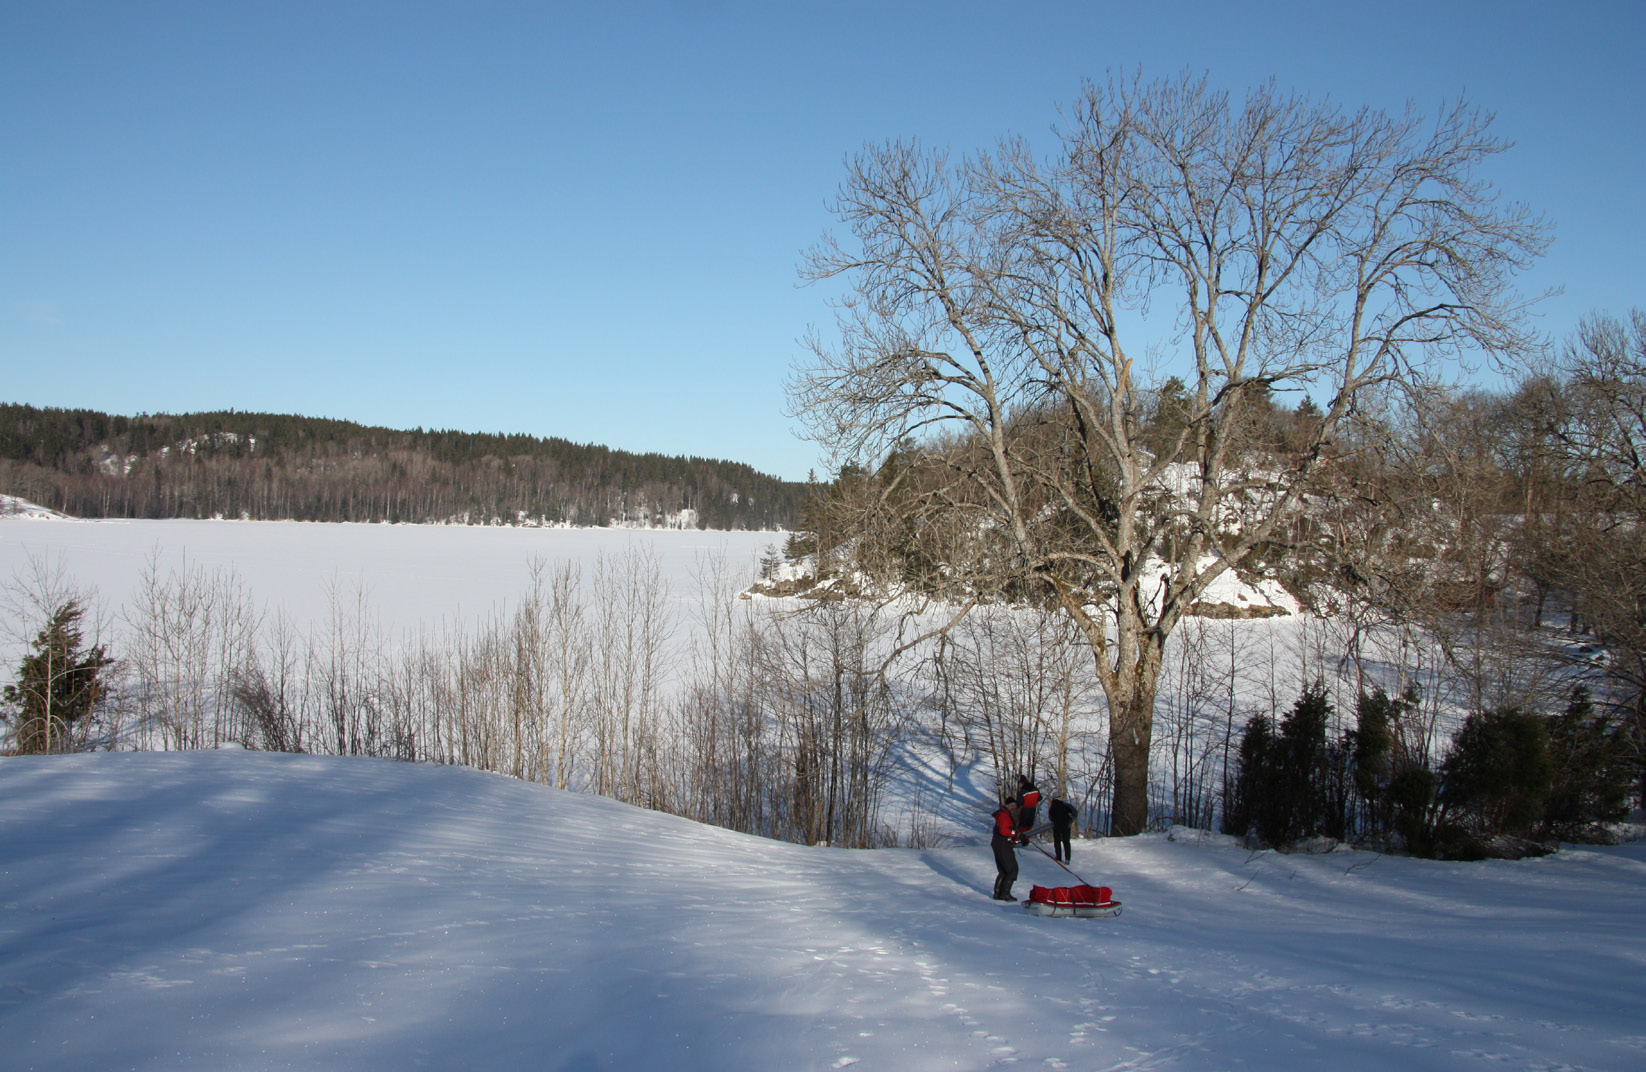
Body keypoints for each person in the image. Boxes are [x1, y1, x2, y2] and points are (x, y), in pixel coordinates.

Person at [990, 796, 1021, 901]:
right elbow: (1004, 831)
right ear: (1008, 805)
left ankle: (998, 893)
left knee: (1003, 870)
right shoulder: (1004, 815)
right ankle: (1005, 894)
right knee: (1012, 869)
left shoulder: (1003, 814)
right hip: (1002, 844)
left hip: (999, 843)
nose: (1014, 808)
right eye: (1012, 805)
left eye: (1015, 806)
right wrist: (1014, 834)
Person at [1049, 796, 1078, 864]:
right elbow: (1075, 813)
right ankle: (1067, 858)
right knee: (1066, 842)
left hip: (1056, 826)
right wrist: (1071, 820)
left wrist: (1054, 821)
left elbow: (1050, 817)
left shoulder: (1052, 807)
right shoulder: (1067, 805)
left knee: (1057, 841)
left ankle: (1058, 857)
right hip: (1066, 826)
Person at [1016, 774, 1040, 844]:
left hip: (1025, 808)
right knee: (1029, 824)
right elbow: (1040, 798)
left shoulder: (1023, 790)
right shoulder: (1035, 788)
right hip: (1033, 808)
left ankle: (1022, 839)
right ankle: (1027, 839)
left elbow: (1019, 802)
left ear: (1021, 782)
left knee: (1022, 825)